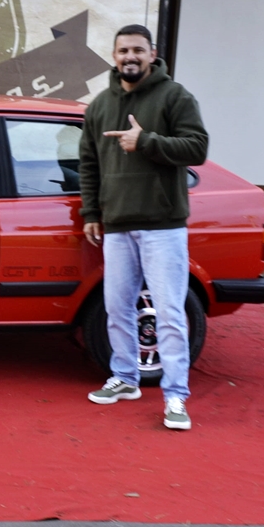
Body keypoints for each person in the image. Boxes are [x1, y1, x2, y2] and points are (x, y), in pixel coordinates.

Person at [78, 24, 209, 430]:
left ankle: (175, 397)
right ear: (114, 56)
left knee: (169, 313)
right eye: (123, 51)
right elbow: (88, 164)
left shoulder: (175, 96)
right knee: (117, 309)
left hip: (162, 226)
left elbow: (197, 148)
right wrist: (91, 213)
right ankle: (125, 378)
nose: (130, 57)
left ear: (152, 54)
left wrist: (146, 141)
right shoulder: (99, 106)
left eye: (138, 50)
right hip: (117, 226)